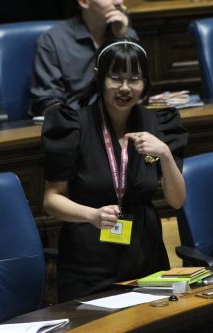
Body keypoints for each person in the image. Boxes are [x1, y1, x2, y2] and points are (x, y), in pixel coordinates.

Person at [42, 38, 188, 302]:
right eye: (115, 78)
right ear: (99, 77)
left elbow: (176, 201)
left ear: (145, 82)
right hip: (88, 259)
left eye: (134, 78)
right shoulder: (73, 125)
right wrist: (92, 215)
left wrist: (165, 154)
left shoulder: (159, 124)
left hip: (146, 255)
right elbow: (51, 201)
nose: (124, 88)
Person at [30, 0, 137, 116]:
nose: (118, 1)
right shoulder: (53, 41)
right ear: (84, 2)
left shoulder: (127, 36)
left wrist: (121, 39)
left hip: (118, 120)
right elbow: (47, 100)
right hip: (72, 122)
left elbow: (137, 85)